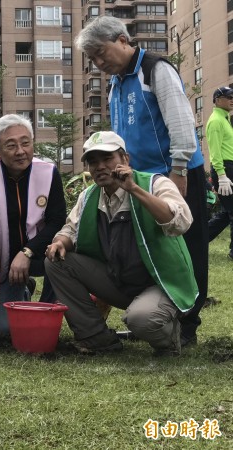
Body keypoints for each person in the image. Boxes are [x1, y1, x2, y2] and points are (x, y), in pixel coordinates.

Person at [75, 16, 208, 347]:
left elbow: (180, 120)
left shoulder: (154, 70)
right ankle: (153, 316)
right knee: (146, 247)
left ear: (123, 40)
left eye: (101, 53)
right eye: (92, 58)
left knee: (186, 245)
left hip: (174, 172)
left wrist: (178, 170)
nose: (99, 62)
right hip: (137, 178)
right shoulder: (117, 83)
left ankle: (187, 323)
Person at [45, 131, 197, 356]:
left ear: (125, 159)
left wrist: (134, 189)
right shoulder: (89, 196)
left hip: (160, 282)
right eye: (93, 161)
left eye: (108, 159)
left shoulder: (155, 183)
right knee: (57, 262)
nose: (100, 167)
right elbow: (71, 229)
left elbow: (181, 222)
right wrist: (60, 242)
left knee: (141, 319)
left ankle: (169, 339)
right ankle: (96, 337)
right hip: (118, 279)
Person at [0, 114, 67, 335]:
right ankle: (21, 288)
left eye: (26, 143)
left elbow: (57, 222)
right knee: (4, 330)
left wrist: (27, 251)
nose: (20, 151)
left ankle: (46, 310)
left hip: (38, 254)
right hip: (3, 261)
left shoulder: (48, 173)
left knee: (65, 257)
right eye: (11, 145)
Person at [206, 87, 233, 259]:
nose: (232, 99)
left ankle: (200, 239)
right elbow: (214, 151)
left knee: (227, 212)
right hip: (224, 169)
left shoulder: (225, 119)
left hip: (228, 168)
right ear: (217, 100)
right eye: (228, 97)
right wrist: (222, 176)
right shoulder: (215, 121)